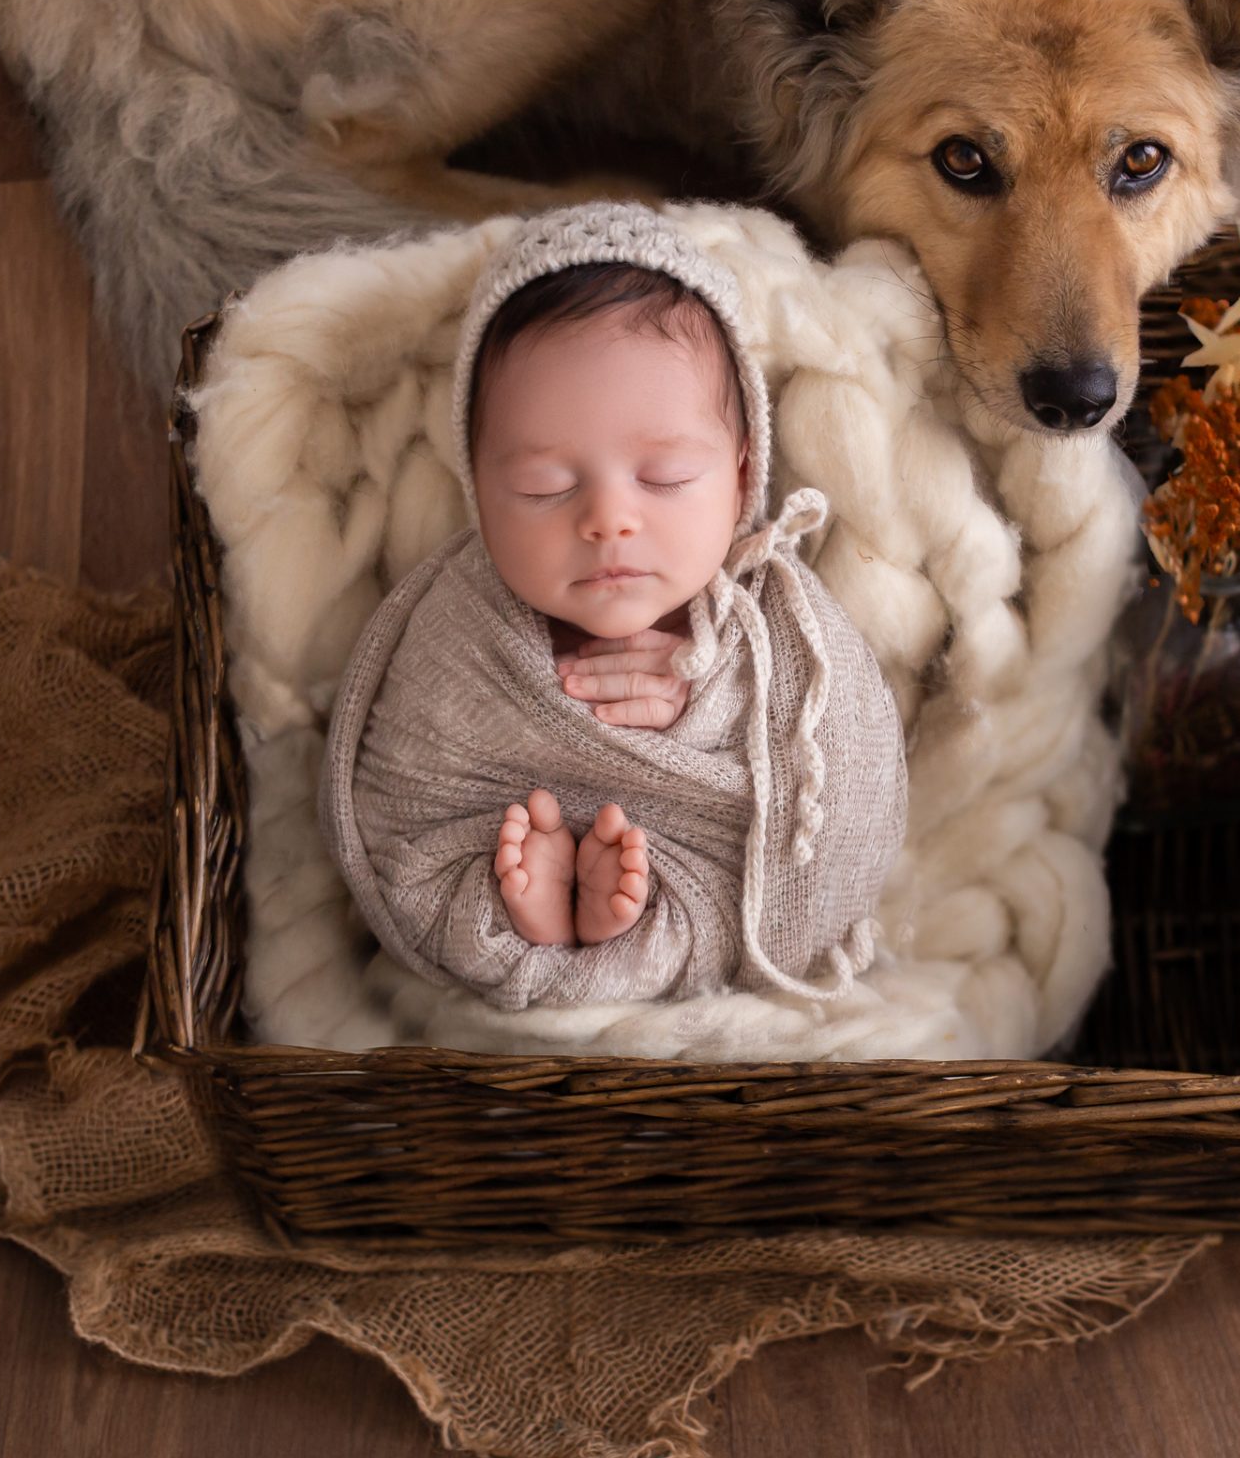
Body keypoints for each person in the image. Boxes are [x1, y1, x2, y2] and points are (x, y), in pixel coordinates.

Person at [319, 204, 910, 1011]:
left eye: (664, 476)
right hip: (490, 844)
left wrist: (719, 688)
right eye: (543, 488)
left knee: (761, 864)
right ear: (479, 493)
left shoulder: (776, 625)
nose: (607, 519)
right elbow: (398, 792)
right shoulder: (457, 622)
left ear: (743, 477)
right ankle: (525, 915)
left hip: (711, 891)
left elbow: (850, 770)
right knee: (446, 885)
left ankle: (618, 927)